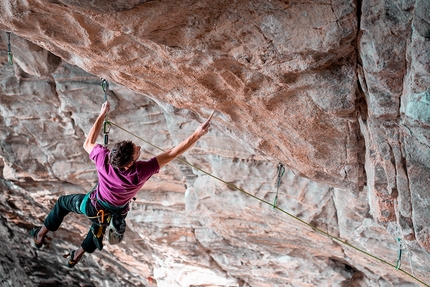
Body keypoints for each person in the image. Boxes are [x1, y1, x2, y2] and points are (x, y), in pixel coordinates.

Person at [30, 101, 213, 267]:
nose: (139, 148)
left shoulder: (104, 158)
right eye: (136, 151)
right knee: (97, 227)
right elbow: (173, 153)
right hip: (114, 210)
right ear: (128, 164)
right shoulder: (140, 172)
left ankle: (41, 234)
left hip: (93, 206)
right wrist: (197, 134)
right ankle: (77, 254)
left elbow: (88, 142)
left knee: (64, 204)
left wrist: (102, 114)